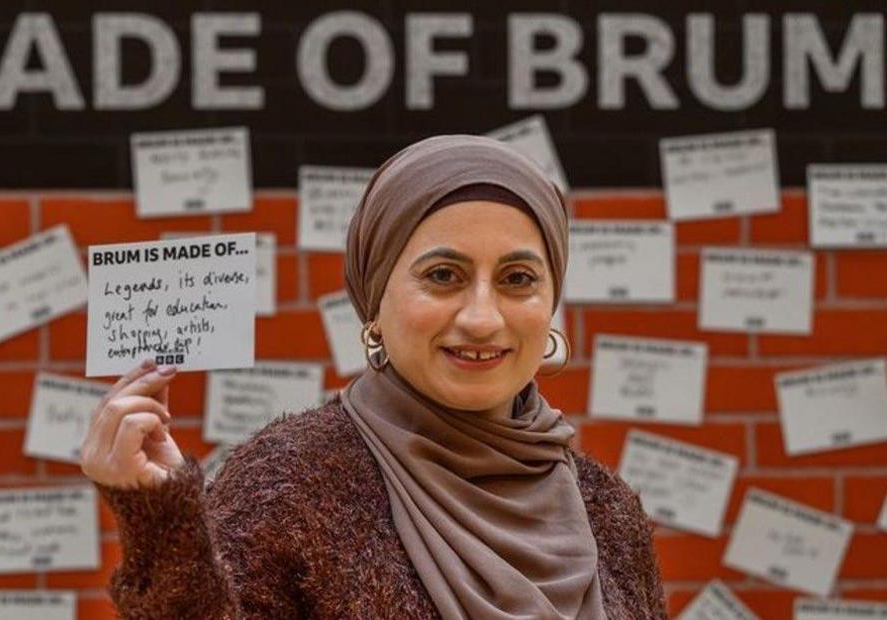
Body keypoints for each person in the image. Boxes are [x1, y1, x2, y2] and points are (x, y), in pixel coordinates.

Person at [80, 135, 668, 619]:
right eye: (443, 275)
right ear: (374, 300)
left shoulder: (605, 508)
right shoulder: (289, 485)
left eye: (518, 279)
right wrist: (159, 521)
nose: (483, 317)